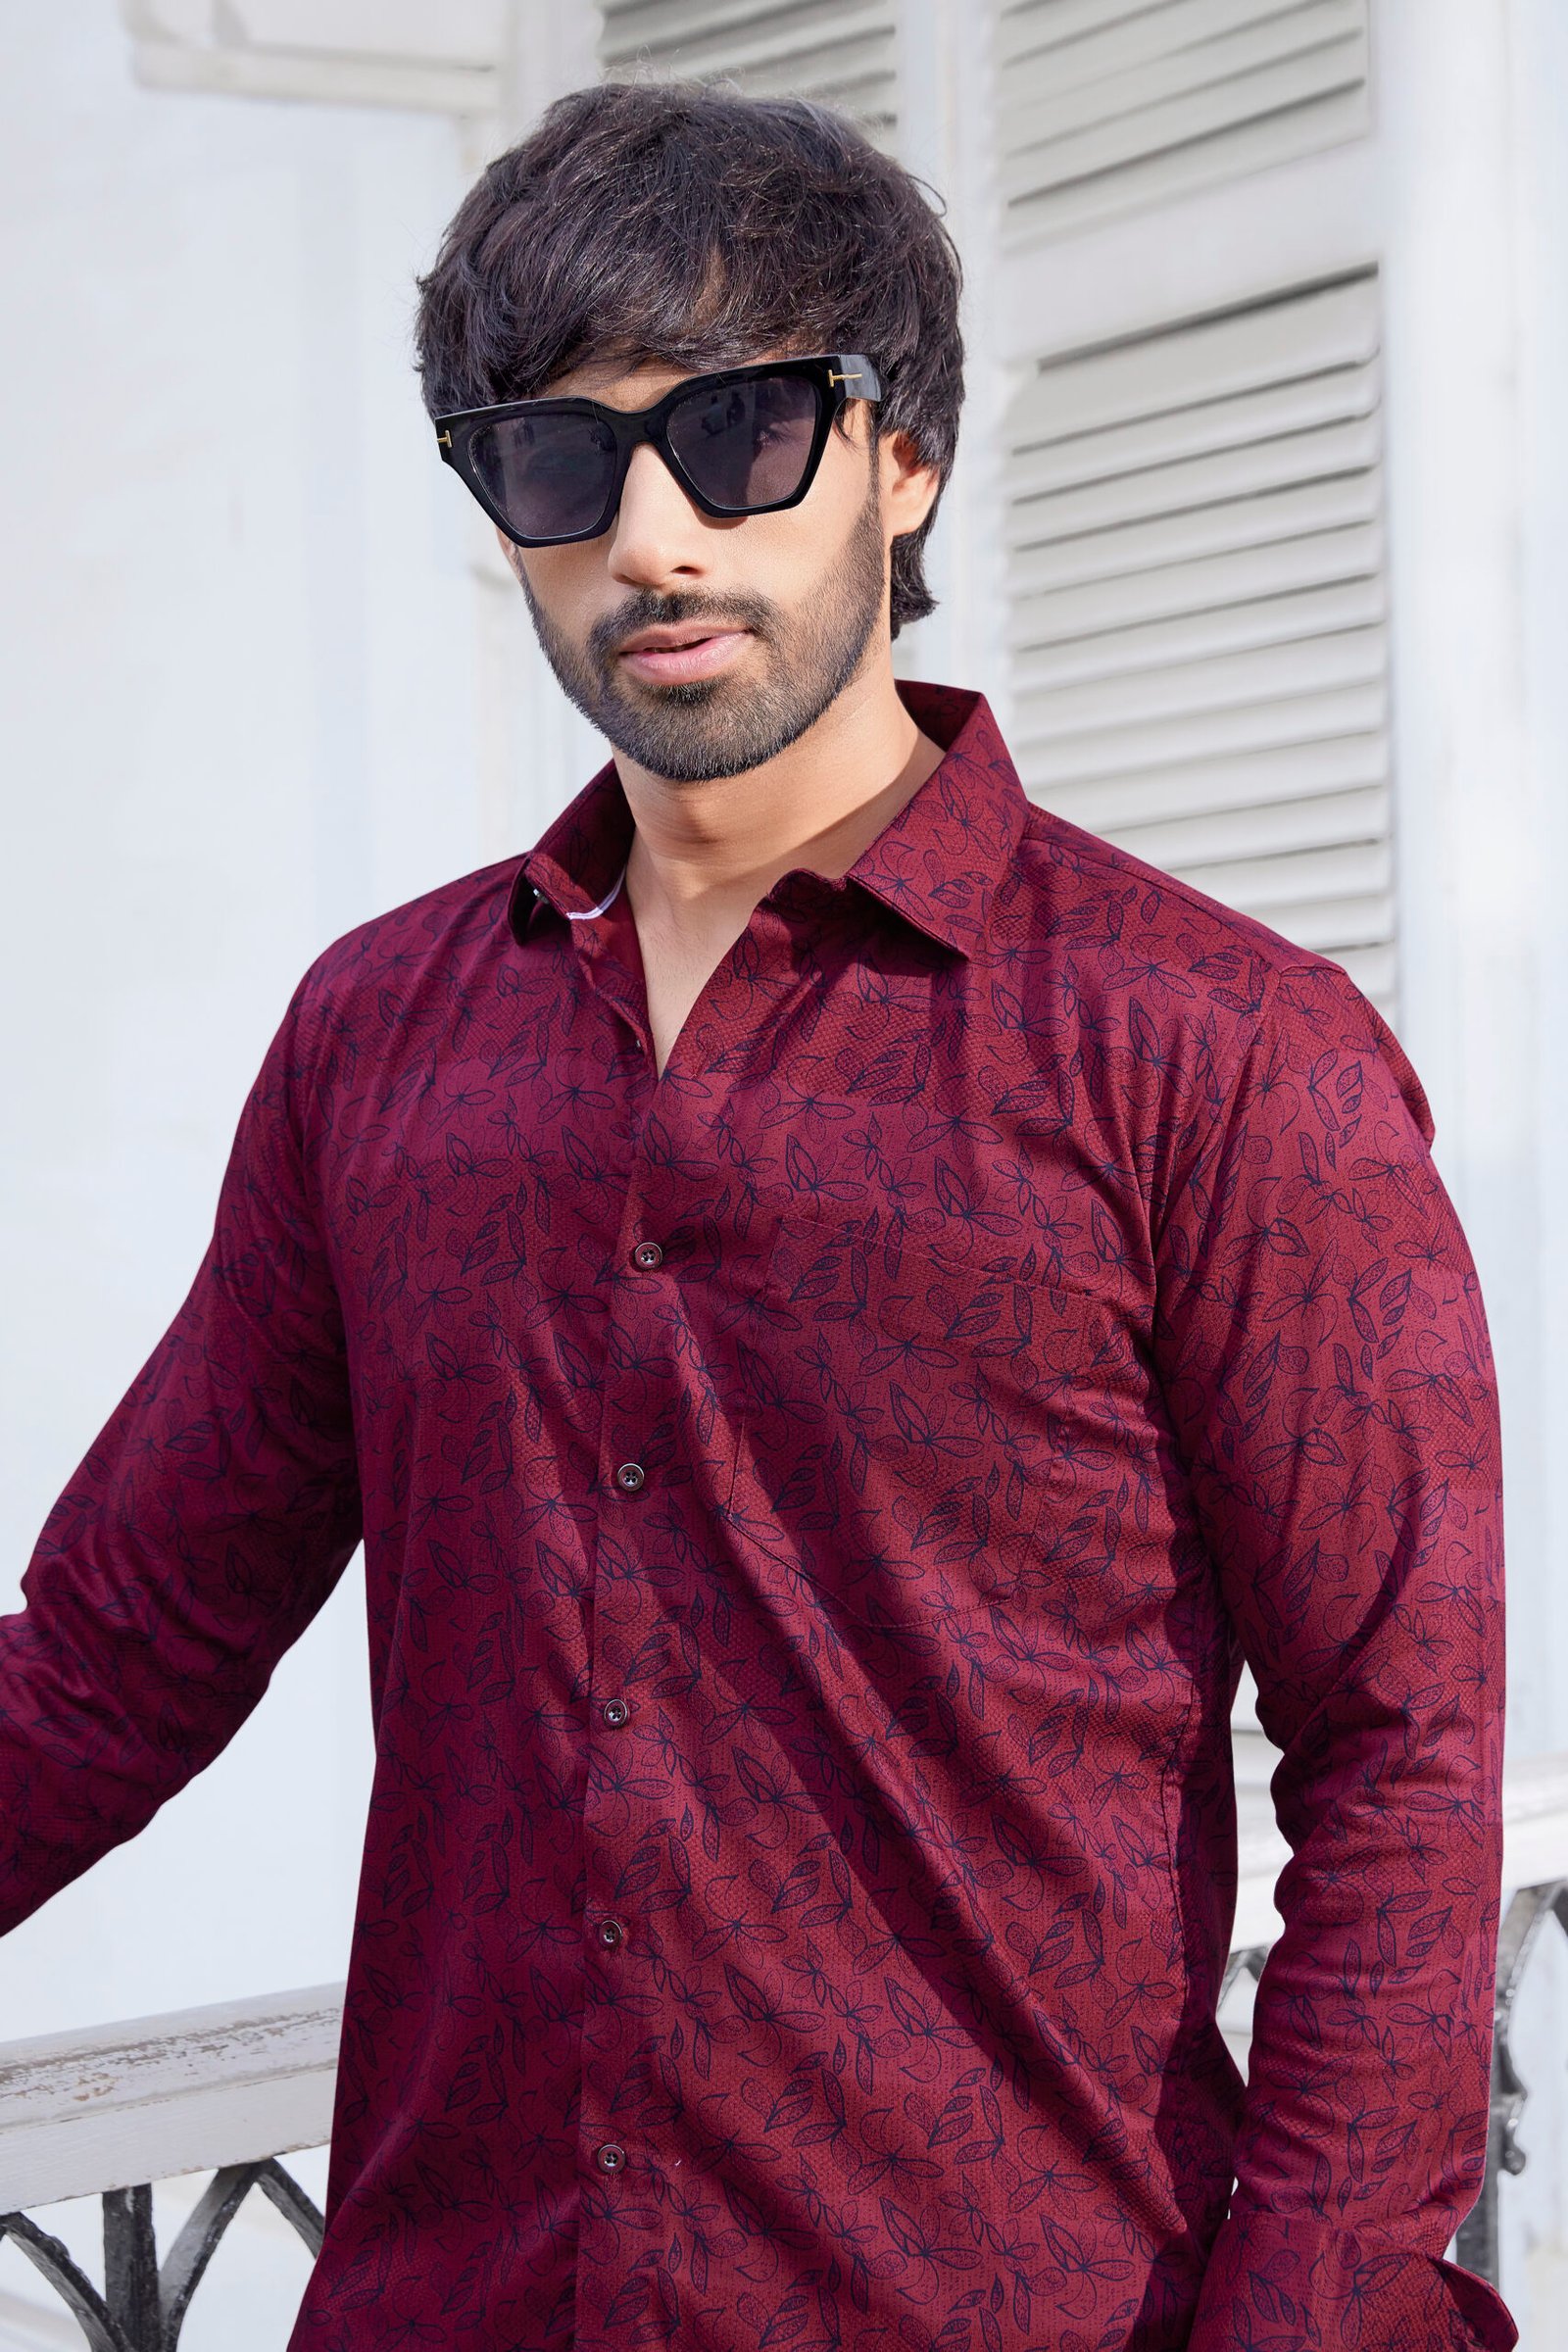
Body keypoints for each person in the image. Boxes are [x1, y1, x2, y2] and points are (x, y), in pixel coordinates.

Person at [0, 79, 1514, 2352]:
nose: (649, 538)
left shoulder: (1214, 1053)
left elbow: (1399, 1757)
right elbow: (116, 1653)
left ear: (902, 460)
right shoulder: (377, 1045)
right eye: (556, 457)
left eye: (735, 433)